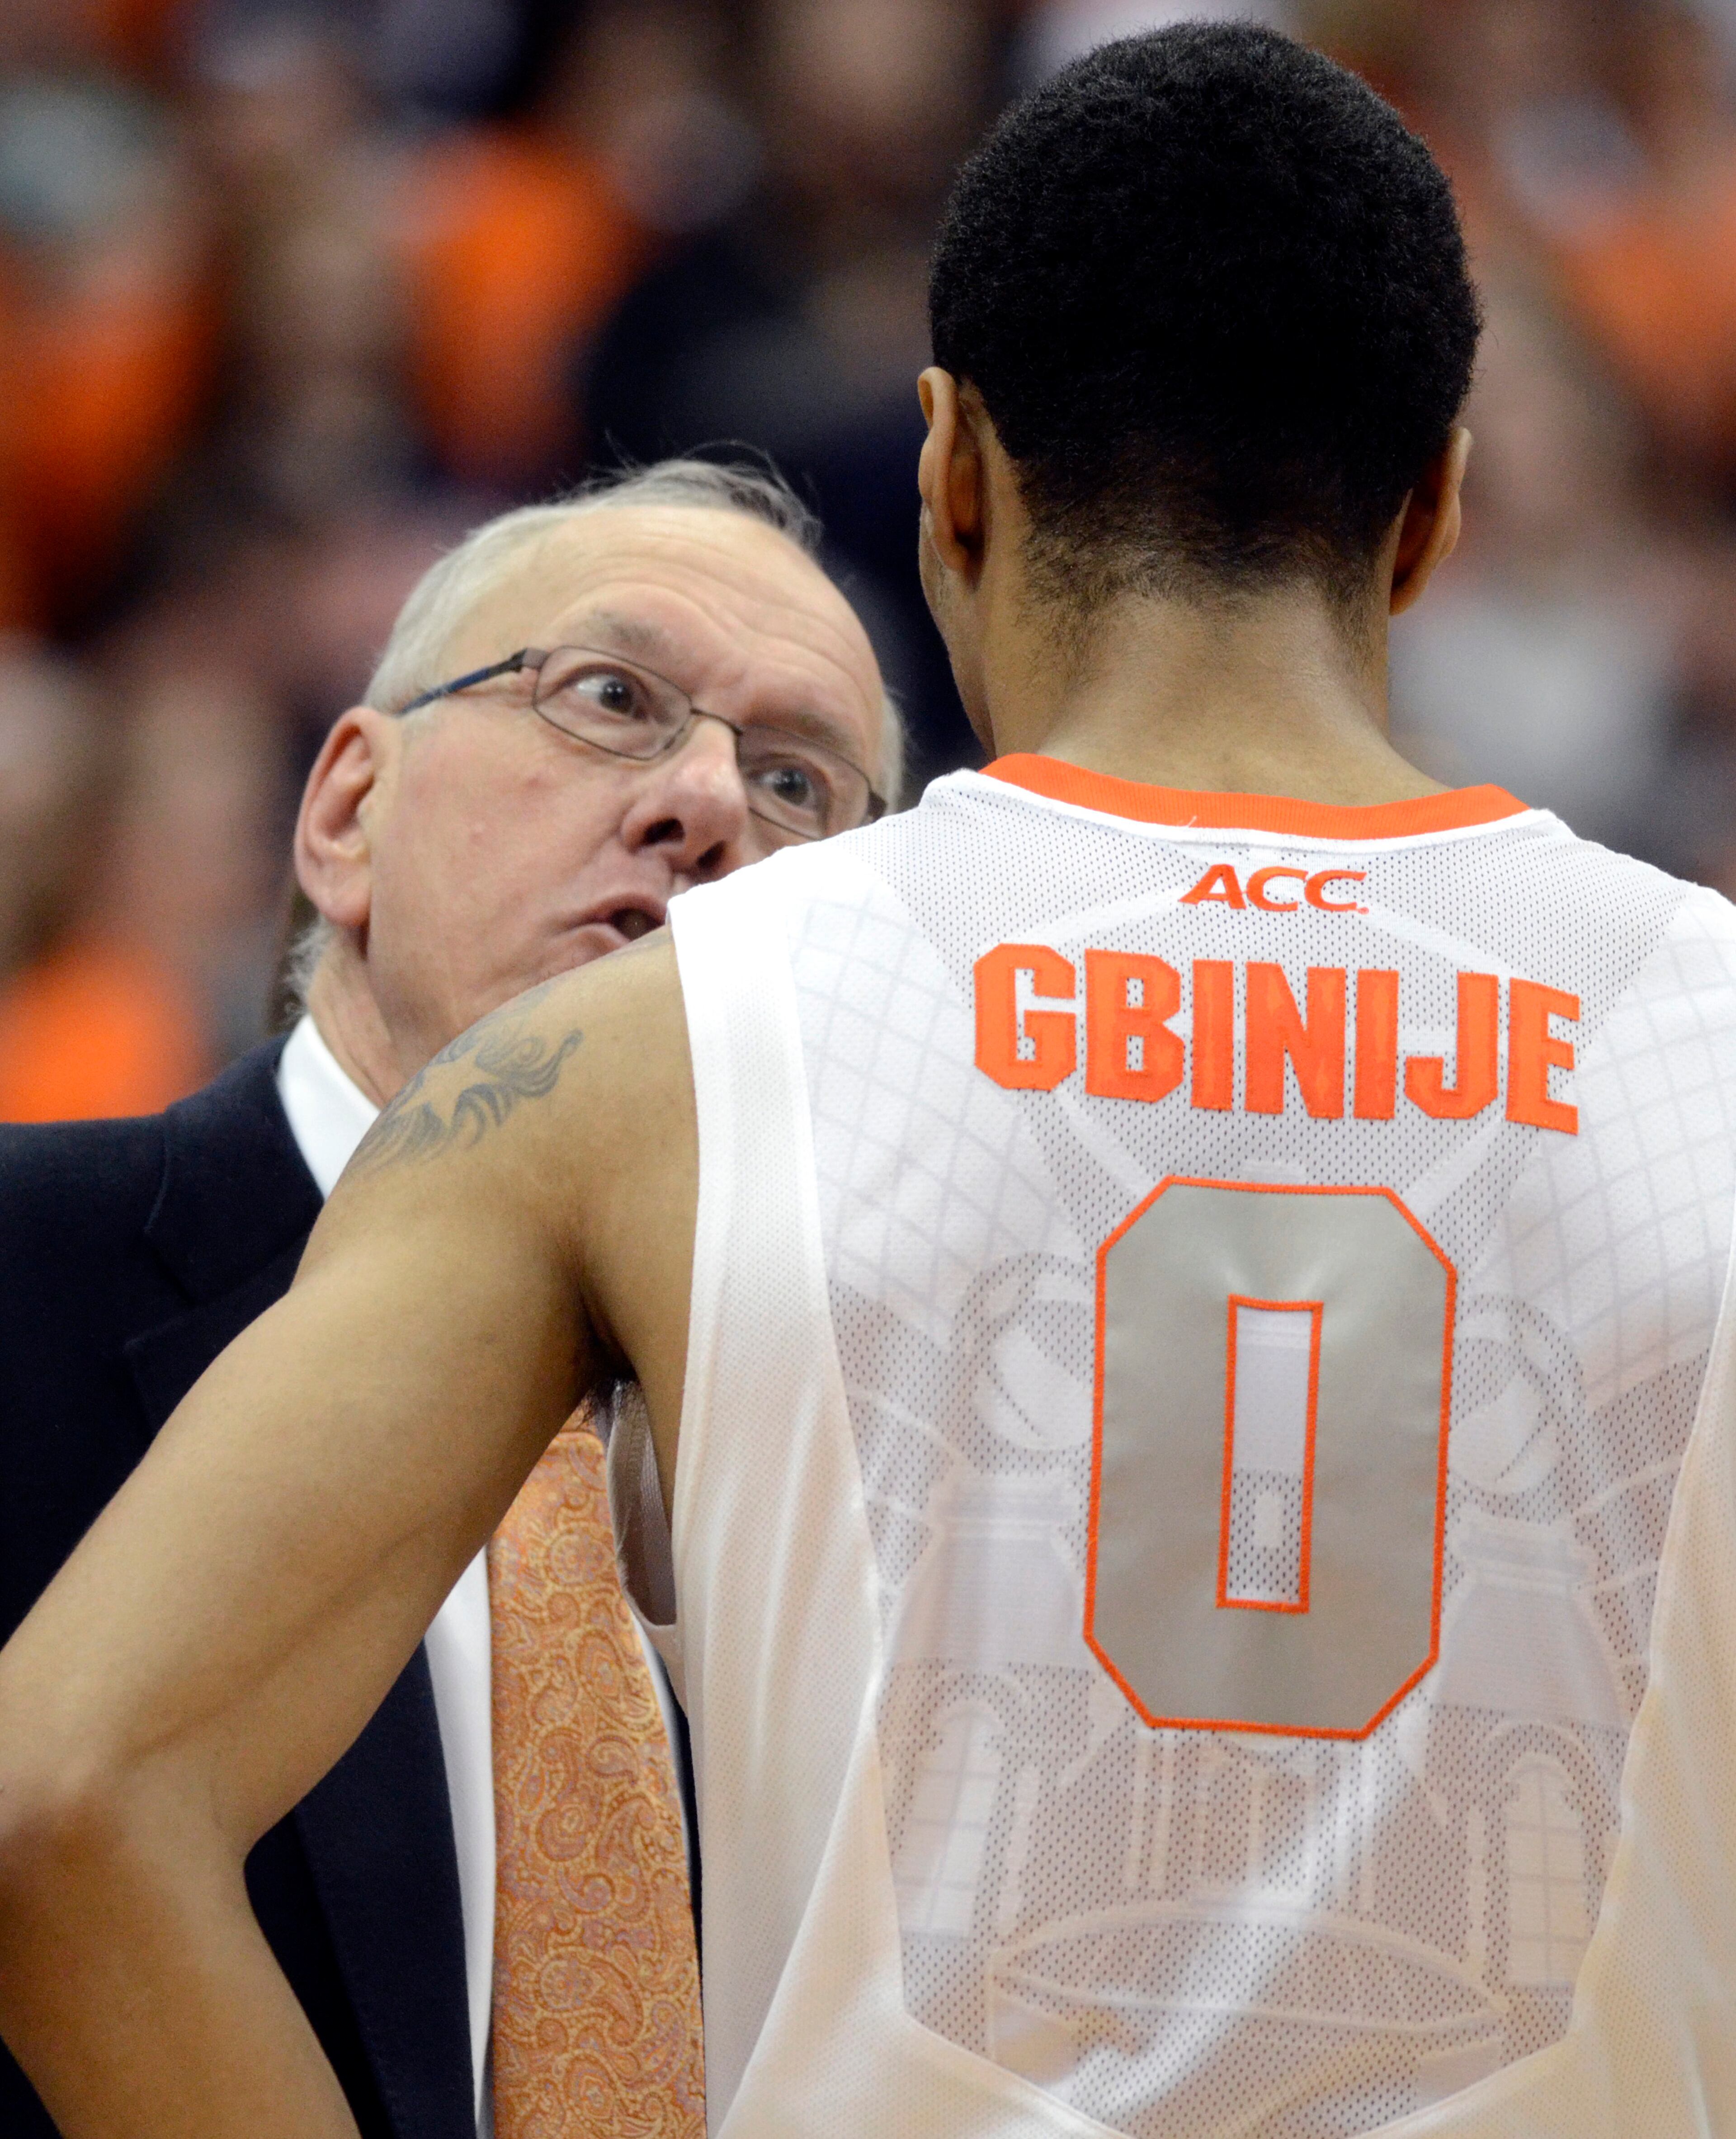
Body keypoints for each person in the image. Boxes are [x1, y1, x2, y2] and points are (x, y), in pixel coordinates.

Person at [4, 24, 1736, 2137]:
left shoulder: (636, 1057)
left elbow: (65, 1798)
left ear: (948, 475)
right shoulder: (1705, 1042)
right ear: (1436, 510)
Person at [0, 459, 893, 2139]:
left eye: (797, 783)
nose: (705, 799)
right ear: (347, 811)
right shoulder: (22, 1280)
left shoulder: (901, 1473)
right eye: (613, 698)